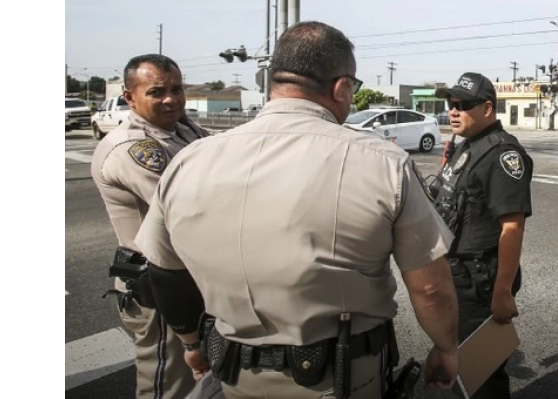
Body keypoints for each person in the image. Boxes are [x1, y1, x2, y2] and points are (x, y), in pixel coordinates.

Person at [133, 21, 460, 399]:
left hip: (233, 375)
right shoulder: (383, 162)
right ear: (341, 88)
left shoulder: (189, 161)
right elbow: (430, 286)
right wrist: (446, 348)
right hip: (340, 379)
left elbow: (165, 272)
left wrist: (191, 342)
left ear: (274, 82)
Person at [90, 54, 209, 399]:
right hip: (159, 286)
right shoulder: (132, 148)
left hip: (187, 277)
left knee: (200, 382)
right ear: (130, 97)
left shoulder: (183, 129)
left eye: (177, 89)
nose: (171, 99)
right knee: (168, 385)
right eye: (157, 92)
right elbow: (187, 209)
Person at [430, 72, 534, 398]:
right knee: (461, 366)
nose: (453, 111)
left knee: (481, 375)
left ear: (487, 108)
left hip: (480, 281)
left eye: (463, 105)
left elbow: (512, 227)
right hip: (455, 274)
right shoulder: (467, 145)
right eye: (451, 104)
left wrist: (502, 292)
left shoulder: (502, 155)